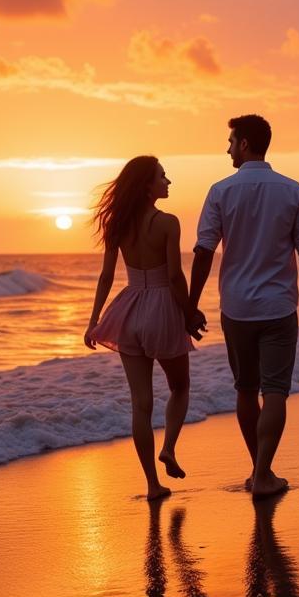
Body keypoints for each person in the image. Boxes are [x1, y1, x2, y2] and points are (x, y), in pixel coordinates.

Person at [188, 114, 299, 500]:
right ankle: (263, 471)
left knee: (247, 390)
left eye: (231, 141)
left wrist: (191, 303)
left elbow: (203, 251)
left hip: (237, 308)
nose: (228, 148)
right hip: (279, 305)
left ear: (245, 143)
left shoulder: (220, 191)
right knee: (276, 391)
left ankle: (259, 470)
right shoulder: (292, 189)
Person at [84, 155, 193, 500]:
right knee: (180, 386)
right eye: (162, 176)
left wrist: (94, 320)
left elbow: (105, 276)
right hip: (161, 309)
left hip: (128, 309)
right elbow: (174, 275)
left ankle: (152, 485)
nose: (168, 181)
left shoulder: (117, 223)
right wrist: (189, 311)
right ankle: (169, 449)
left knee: (140, 403)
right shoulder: (167, 222)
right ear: (148, 186)